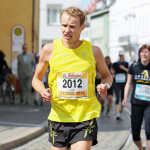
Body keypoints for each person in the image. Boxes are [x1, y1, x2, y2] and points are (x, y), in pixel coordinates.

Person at [32, 7, 112, 150]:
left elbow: (107, 76)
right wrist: (42, 91)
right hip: (58, 117)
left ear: (82, 27)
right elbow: (36, 79)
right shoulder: (49, 50)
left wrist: (105, 85)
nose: (67, 30)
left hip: (85, 117)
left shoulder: (94, 51)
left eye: (72, 27)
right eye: (64, 25)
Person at [122, 45, 150, 150]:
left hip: (149, 104)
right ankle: (141, 148)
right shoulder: (134, 67)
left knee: (149, 131)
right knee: (135, 134)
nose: (144, 54)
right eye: (142, 52)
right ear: (139, 54)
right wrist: (125, 98)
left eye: (146, 52)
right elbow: (128, 84)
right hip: (136, 104)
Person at [112, 50, 129, 120]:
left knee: (122, 98)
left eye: (122, 55)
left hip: (123, 83)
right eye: (120, 55)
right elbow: (111, 69)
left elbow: (129, 71)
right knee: (117, 98)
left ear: (123, 56)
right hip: (116, 83)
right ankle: (117, 114)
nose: (121, 56)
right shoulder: (115, 63)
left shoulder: (126, 63)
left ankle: (121, 109)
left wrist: (124, 68)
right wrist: (112, 73)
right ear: (119, 56)